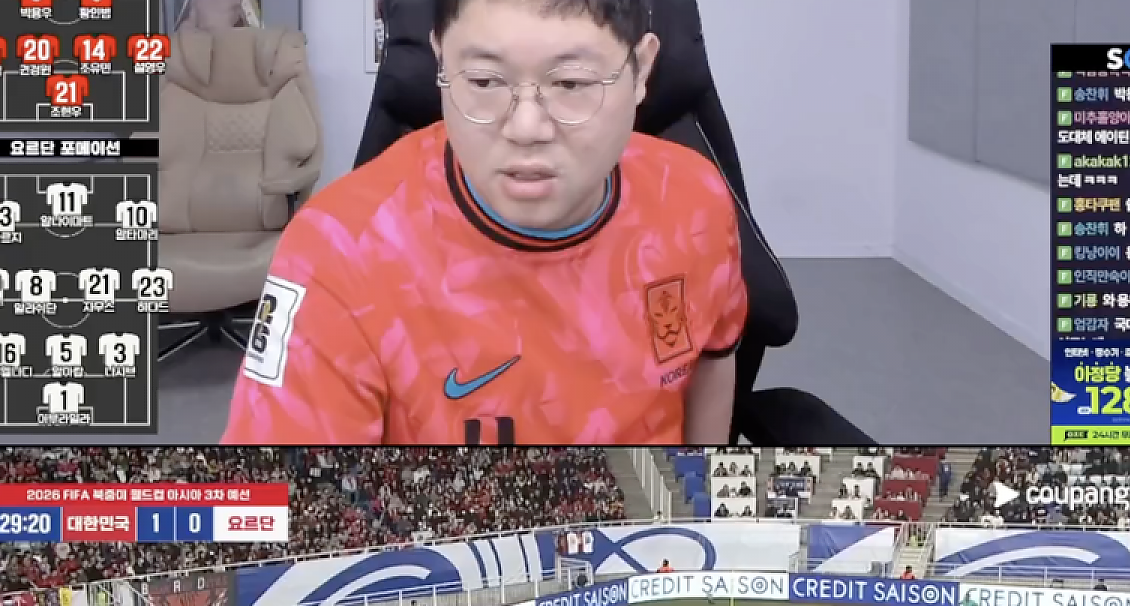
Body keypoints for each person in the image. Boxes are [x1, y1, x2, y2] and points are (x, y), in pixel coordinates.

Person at [221, 0, 746, 445]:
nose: (526, 127)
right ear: (440, 62)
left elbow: (713, 358)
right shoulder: (336, 254)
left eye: (570, 82)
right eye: (484, 81)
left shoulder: (693, 199)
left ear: (641, 71)